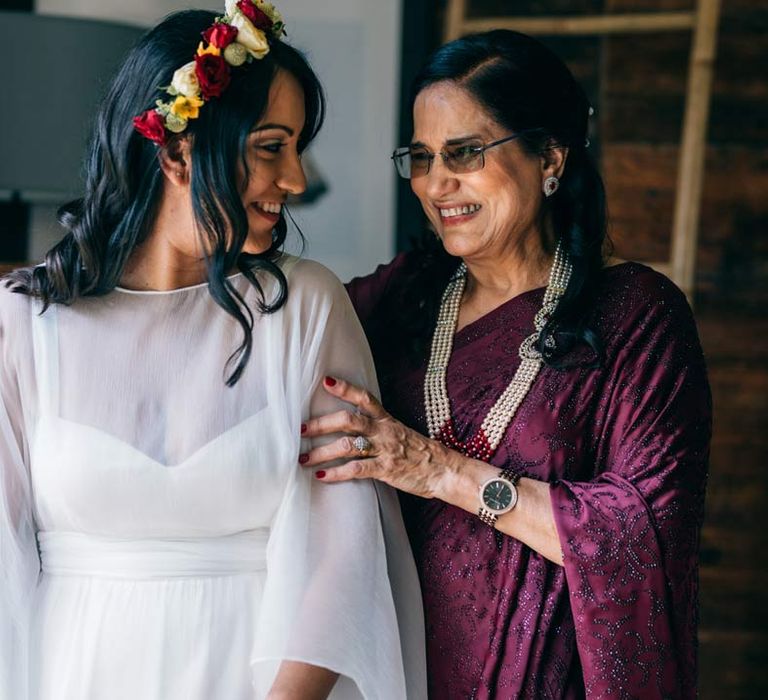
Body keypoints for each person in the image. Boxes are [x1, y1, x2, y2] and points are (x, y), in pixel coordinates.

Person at [0, 5, 426, 700]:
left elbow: (344, 559)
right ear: (175, 152)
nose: (294, 179)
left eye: (297, 147)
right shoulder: (25, 323)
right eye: (270, 147)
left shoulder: (306, 308)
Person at [301, 30, 712, 699]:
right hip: (393, 675)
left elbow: (645, 537)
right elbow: (276, 347)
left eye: (465, 152)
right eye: (421, 157)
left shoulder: (637, 316)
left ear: (549, 155)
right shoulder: (400, 298)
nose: (438, 183)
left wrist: (439, 471)